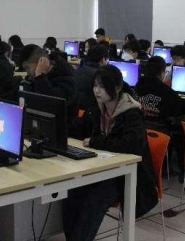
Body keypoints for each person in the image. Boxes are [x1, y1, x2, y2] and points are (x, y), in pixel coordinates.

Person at [63, 65, 157, 241]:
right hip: (99, 167)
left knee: (94, 200)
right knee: (72, 193)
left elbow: (132, 144)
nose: (97, 91)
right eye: (95, 85)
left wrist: (97, 142)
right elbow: (79, 128)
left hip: (125, 174)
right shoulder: (97, 108)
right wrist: (61, 127)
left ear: (118, 88)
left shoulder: (131, 112)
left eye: (102, 86)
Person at [136, 56, 185, 180]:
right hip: (158, 131)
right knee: (179, 132)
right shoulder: (164, 90)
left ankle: (165, 165)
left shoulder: (138, 85)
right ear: (162, 73)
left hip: (140, 128)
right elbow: (183, 107)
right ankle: (181, 170)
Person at [18, 44, 76, 118]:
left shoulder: (66, 79)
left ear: (41, 62)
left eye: (27, 68)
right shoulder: (34, 78)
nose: (27, 73)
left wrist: (40, 76)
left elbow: (49, 105)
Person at [72, 45, 108, 139]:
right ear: (103, 60)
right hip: (93, 119)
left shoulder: (76, 72)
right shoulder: (101, 76)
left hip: (76, 117)